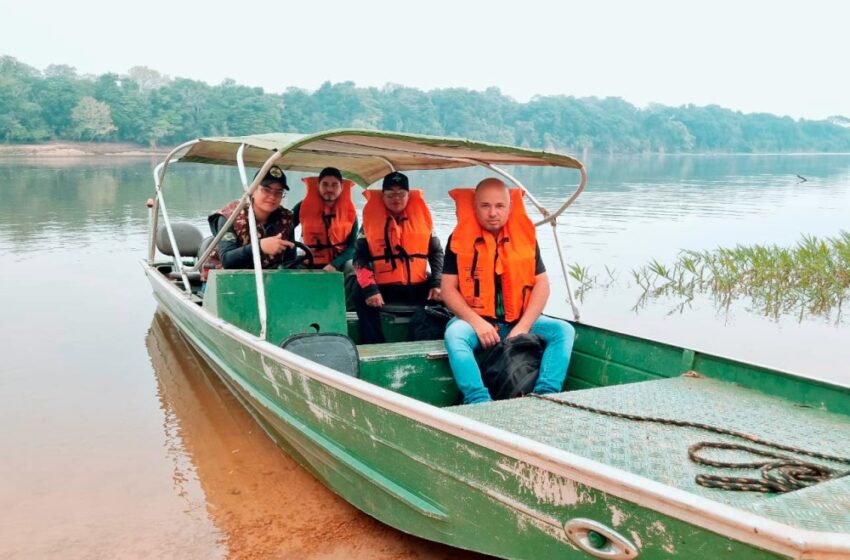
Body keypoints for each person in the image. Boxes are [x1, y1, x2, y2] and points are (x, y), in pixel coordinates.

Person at [441, 178, 575, 404]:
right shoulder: (458, 240)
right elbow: (448, 290)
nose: (492, 213)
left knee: (563, 331)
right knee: (454, 336)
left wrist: (522, 327)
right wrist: (477, 322)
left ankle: (545, 395)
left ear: (509, 207)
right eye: (485, 206)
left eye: (499, 206)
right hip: (477, 323)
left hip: (519, 322)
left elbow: (542, 285)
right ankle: (478, 400)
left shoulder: (525, 238)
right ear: (475, 207)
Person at [353, 171, 444, 344]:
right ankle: (374, 344)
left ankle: (431, 341)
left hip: (417, 286)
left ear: (408, 195)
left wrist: (437, 283)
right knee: (359, 291)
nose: (396, 198)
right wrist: (371, 289)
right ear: (383, 196)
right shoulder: (369, 224)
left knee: (450, 291)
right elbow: (359, 258)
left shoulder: (424, 221)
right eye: (391, 194)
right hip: (384, 288)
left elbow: (437, 253)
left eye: (401, 194)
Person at [207, 165, 295, 271]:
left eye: (279, 192)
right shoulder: (230, 216)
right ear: (253, 190)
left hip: (269, 280)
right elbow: (227, 260)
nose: (272, 196)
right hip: (224, 279)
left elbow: (290, 260)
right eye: (266, 190)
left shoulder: (286, 218)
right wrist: (260, 247)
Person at [292, 167, 358, 271]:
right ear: (318, 186)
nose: (329, 189)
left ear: (341, 187)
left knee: (352, 267)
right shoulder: (302, 207)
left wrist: (334, 264)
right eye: (325, 184)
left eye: (335, 185)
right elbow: (285, 230)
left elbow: (353, 246)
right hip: (309, 260)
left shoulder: (350, 211)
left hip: (339, 263)